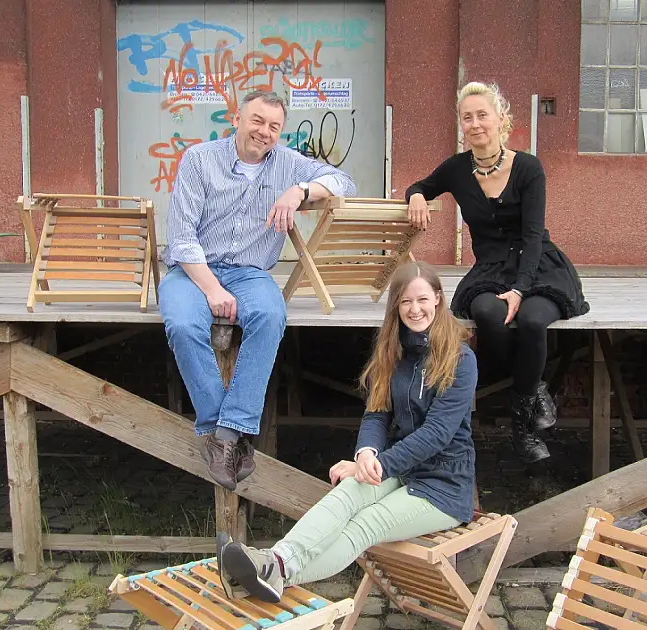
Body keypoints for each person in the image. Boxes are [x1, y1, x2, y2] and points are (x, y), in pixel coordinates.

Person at [215, 261, 478, 603]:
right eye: (406, 302)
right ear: (396, 307)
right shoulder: (393, 351)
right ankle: (274, 563)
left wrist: (378, 465)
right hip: (402, 470)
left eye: (422, 299)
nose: (415, 309)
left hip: (444, 486)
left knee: (365, 525)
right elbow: (376, 414)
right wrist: (366, 453)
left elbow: (437, 434)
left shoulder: (460, 359)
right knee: (347, 493)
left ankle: (274, 572)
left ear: (438, 299)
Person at [159, 90, 356, 491]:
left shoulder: (289, 164)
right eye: (257, 121)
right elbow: (181, 238)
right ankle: (224, 429)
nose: (264, 132)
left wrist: (299, 191)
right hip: (193, 270)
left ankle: (227, 434)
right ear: (237, 119)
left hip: (250, 273)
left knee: (270, 316)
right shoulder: (199, 159)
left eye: (274, 126)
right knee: (182, 324)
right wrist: (212, 289)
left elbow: (344, 182)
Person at [406, 81, 589, 464]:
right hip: (490, 268)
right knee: (489, 314)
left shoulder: (528, 168)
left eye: (482, 115)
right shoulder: (457, 169)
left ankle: (522, 427)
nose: (475, 124)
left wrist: (521, 289)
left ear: (500, 119)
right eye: (467, 117)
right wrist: (417, 196)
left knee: (533, 320)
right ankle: (535, 387)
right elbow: (419, 185)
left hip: (538, 266)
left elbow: (534, 235)